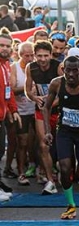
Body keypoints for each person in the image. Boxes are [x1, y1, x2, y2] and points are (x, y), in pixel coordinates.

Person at [41, 56, 79, 220]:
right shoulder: (56, 83)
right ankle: (71, 205)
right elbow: (46, 108)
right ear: (63, 70)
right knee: (65, 168)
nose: (72, 74)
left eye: (75, 70)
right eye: (68, 70)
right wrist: (47, 131)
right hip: (65, 131)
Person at [25, 40, 62, 195]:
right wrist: (35, 98)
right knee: (43, 145)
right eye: (39, 56)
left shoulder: (58, 66)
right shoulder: (31, 68)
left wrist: (51, 102)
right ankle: (50, 180)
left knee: (60, 145)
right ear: (34, 56)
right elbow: (28, 91)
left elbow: (65, 91)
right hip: (41, 111)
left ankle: (62, 172)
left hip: (59, 110)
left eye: (45, 55)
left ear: (50, 55)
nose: (42, 59)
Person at [10, 41, 35, 186]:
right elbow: (12, 89)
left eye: (32, 55)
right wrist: (27, 88)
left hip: (35, 109)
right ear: (20, 55)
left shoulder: (36, 66)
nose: (31, 58)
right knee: (23, 142)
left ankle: (40, 171)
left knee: (39, 142)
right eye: (27, 56)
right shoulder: (14, 68)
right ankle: (21, 173)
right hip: (22, 111)